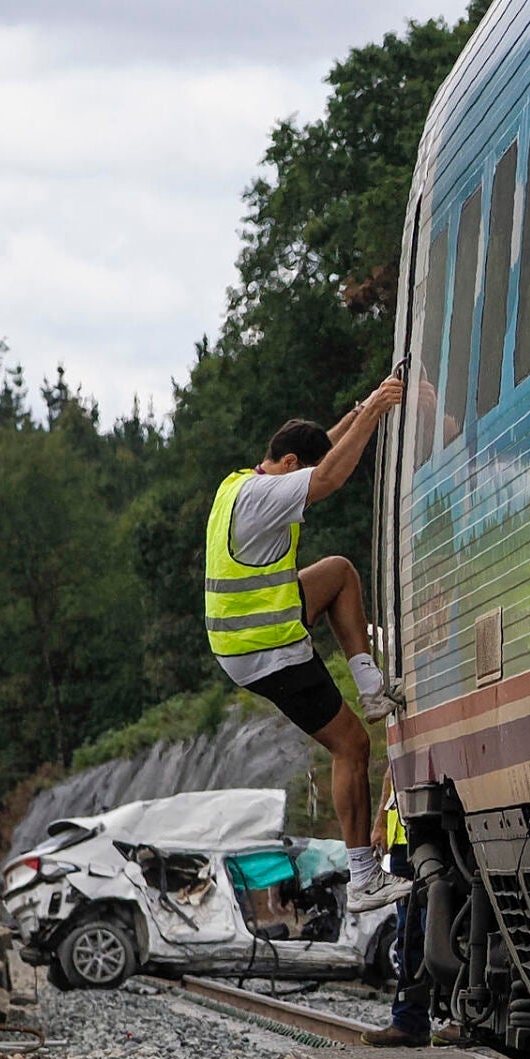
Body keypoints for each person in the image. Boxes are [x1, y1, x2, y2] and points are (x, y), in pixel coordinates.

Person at [205, 374, 410, 913]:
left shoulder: (240, 484)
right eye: (305, 470)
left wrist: (363, 408)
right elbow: (332, 476)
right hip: (267, 648)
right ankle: (365, 877)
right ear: (290, 465)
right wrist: (381, 408)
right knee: (352, 747)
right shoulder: (265, 497)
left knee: (338, 573)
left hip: (246, 634)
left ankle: (370, 685)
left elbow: (324, 453)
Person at [362, 771, 430, 1046]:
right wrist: (379, 823)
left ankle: (458, 1021)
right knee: (409, 935)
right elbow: (391, 772)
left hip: (433, 830)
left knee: (435, 929)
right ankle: (409, 1022)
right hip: (404, 844)